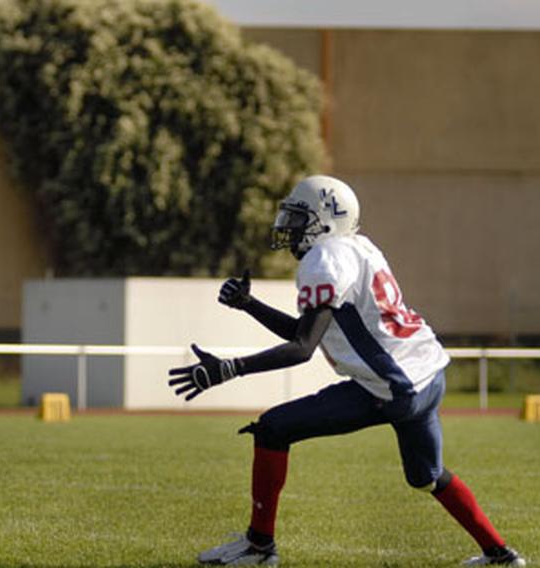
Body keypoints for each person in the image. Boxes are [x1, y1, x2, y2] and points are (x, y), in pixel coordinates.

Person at [168, 175, 525, 566]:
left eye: (298, 217)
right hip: (427, 374)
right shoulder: (358, 247)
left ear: (325, 218)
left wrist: (229, 369)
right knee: (426, 475)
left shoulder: (326, 258)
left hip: (392, 386)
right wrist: (250, 305)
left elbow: (302, 348)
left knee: (273, 428)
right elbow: (309, 333)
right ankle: (501, 554)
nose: (289, 226)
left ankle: (258, 546)